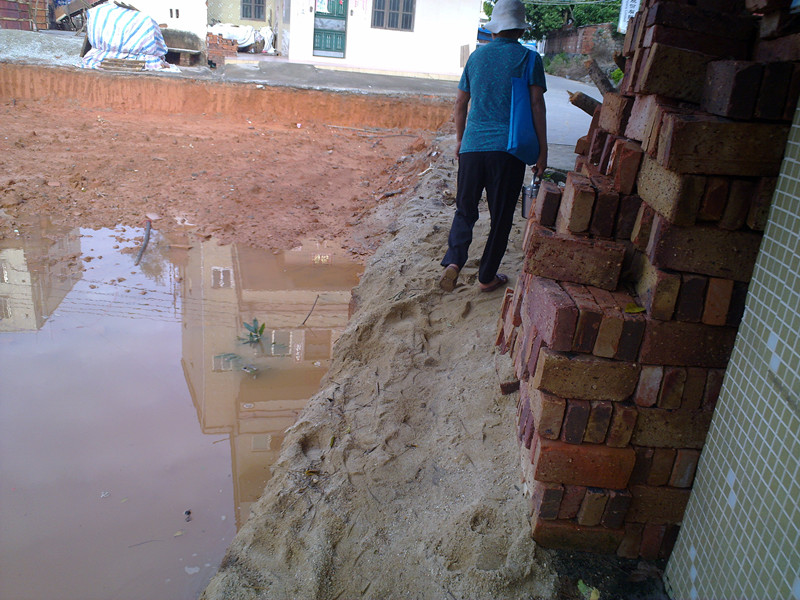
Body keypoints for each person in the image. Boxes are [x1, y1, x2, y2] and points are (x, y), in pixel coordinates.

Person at [439, 0, 547, 293]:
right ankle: (487, 277)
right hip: (508, 151)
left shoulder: (476, 57)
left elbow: (460, 103)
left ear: (494, 29)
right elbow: (537, 104)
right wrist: (543, 151)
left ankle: (454, 261)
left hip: (472, 147)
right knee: (501, 217)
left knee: (465, 209)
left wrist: (460, 140)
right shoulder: (529, 59)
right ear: (520, 29)